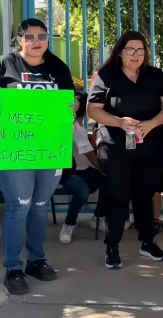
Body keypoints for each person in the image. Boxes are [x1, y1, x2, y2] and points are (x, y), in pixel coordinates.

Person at [0, 18, 77, 295]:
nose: (36, 41)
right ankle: (13, 267)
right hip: (12, 151)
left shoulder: (58, 67)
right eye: (29, 36)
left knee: (41, 205)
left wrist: (72, 105)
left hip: (49, 148)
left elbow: (73, 101)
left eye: (41, 36)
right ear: (19, 39)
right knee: (19, 205)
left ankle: (36, 260)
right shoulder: (2, 65)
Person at [87, 31, 163, 269]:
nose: (136, 55)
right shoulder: (106, 76)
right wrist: (119, 122)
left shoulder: (155, 75)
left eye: (140, 50)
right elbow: (93, 110)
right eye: (130, 50)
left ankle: (147, 241)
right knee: (117, 195)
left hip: (149, 145)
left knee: (144, 195)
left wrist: (151, 124)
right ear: (120, 52)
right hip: (115, 146)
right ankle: (112, 245)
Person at [58, 91, 105, 245]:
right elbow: (90, 154)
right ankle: (68, 224)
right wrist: (102, 168)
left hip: (84, 170)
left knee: (109, 181)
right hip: (69, 173)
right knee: (82, 191)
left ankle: (98, 217)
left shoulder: (79, 126)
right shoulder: (73, 126)